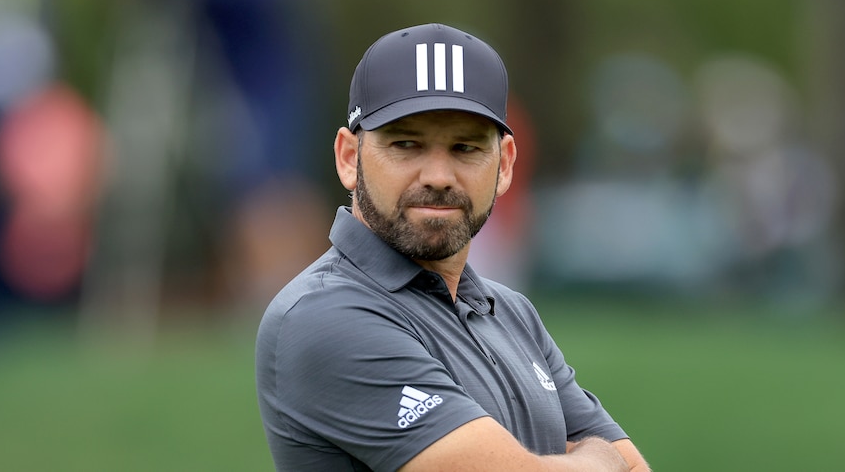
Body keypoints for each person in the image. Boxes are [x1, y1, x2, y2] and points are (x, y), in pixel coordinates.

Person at [255, 23, 651, 471]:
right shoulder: (321, 315)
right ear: (350, 158)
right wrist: (600, 456)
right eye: (406, 144)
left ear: (504, 166)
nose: (439, 176)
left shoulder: (511, 311)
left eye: (464, 148)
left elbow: (637, 467)